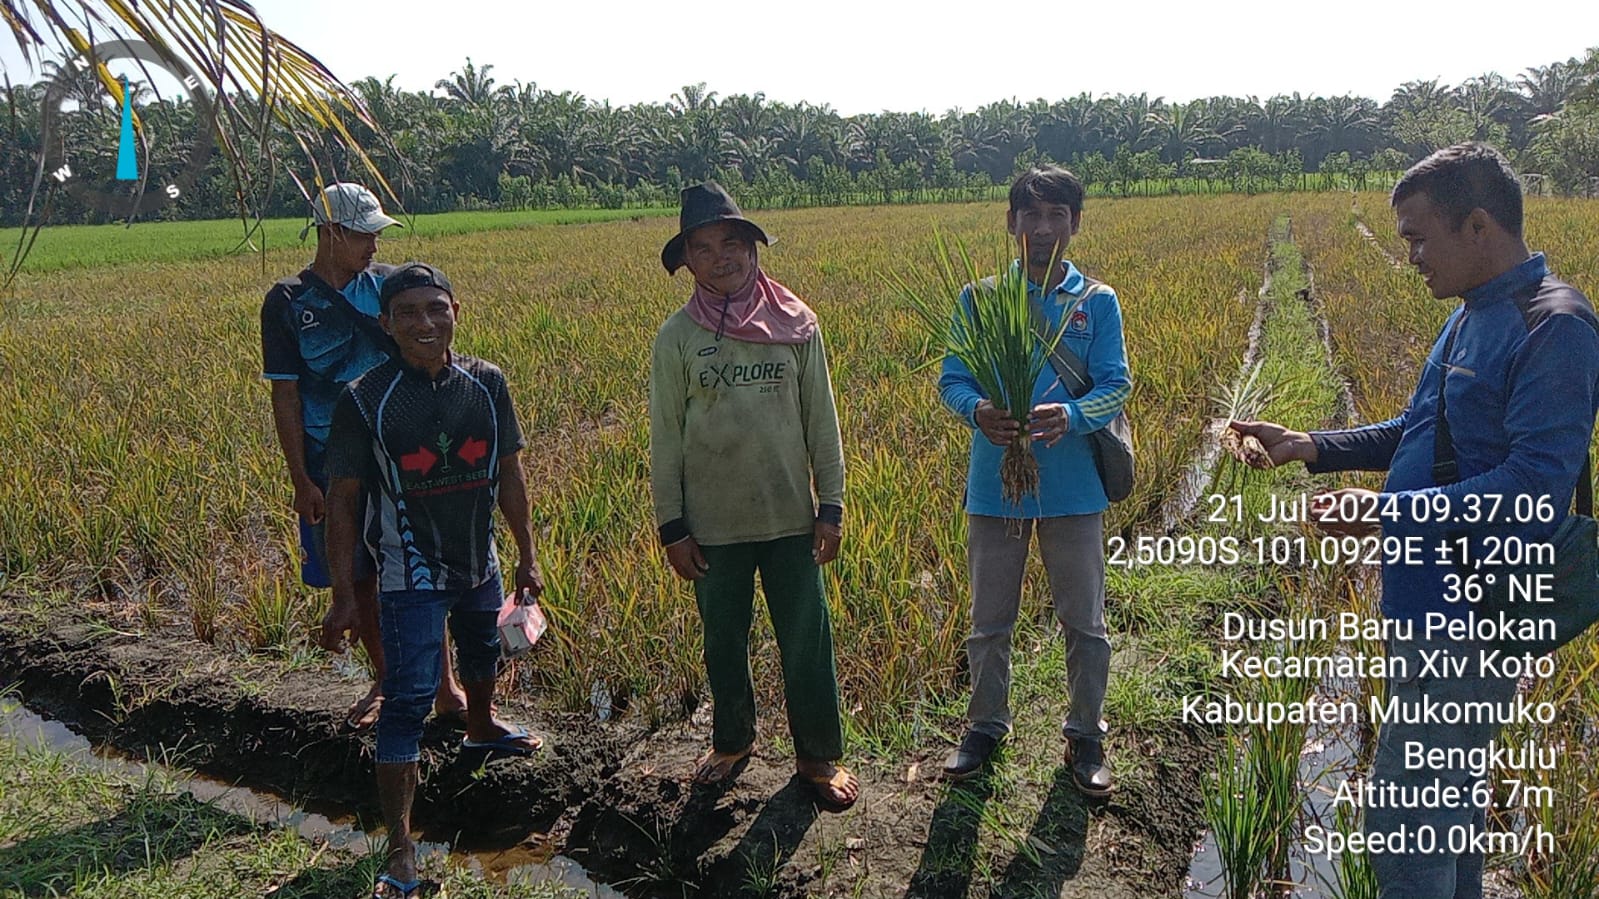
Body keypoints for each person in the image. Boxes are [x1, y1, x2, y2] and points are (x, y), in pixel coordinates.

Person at [1230, 143, 1599, 899]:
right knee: (1445, 811)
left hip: (1471, 616)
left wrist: (1381, 512)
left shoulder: (1552, 324)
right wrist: (1310, 445)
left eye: (1417, 238)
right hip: (1425, 608)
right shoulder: (1471, 312)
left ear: (1476, 226)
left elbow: (1532, 485)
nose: (1411, 257)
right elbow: (1421, 429)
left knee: (1404, 827)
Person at [318, 262, 545, 898]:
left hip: (479, 560)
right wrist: (342, 595)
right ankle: (400, 851)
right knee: (410, 699)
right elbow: (342, 500)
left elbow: (509, 473)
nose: (425, 322)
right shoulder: (364, 398)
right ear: (387, 325)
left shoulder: (486, 383)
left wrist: (527, 553)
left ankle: (480, 731)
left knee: (481, 655)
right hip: (408, 571)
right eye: (409, 313)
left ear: (455, 313)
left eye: (436, 309)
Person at [649, 182, 859, 812]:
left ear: (753, 248)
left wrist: (832, 505)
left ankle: (817, 755)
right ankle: (733, 741)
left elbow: (822, 421)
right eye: (704, 247)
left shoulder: (798, 325)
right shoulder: (677, 338)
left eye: (733, 243)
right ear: (687, 259)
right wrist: (672, 526)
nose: (721, 258)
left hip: (791, 517)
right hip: (713, 524)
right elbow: (666, 438)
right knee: (723, 640)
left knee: (806, 637)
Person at [937, 166, 1131, 797]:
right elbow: (953, 379)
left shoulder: (1095, 302)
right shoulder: (982, 297)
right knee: (989, 620)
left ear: (1075, 223)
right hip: (996, 488)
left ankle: (1085, 733)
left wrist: (1071, 416)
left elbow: (1115, 385)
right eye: (1031, 215)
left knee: (1085, 622)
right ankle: (985, 726)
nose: (1043, 228)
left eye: (1057, 215)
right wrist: (978, 412)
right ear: (1011, 223)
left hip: (1074, 493)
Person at [261, 182, 467, 732]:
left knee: (420, 567)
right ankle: (386, 678)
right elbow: (285, 393)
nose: (375, 246)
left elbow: (434, 357)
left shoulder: (388, 289)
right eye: (364, 235)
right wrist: (302, 478)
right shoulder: (287, 302)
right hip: (332, 460)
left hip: (401, 455)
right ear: (330, 233)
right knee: (358, 574)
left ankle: (445, 686)